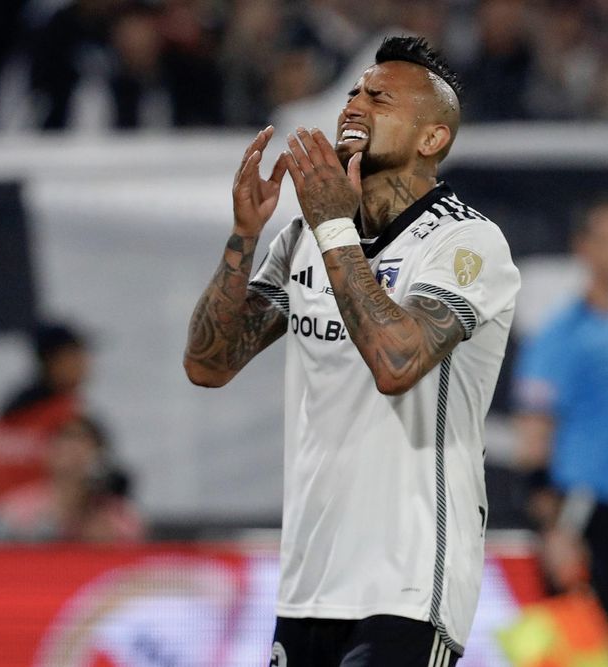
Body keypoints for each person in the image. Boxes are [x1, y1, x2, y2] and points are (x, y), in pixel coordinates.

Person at [184, 36, 520, 666]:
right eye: (353, 93)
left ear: (432, 139)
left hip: (412, 579)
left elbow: (396, 363)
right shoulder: (304, 237)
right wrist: (244, 235)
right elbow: (209, 363)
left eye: (380, 97)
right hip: (310, 578)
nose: (355, 106)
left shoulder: (468, 244)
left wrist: (335, 227)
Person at [514, 195, 608, 656]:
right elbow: (534, 433)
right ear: (585, 249)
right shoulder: (561, 335)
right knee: (572, 649)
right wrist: (554, 529)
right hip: (578, 510)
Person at [0, 322, 91, 513]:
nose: (87, 363)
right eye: (77, 355)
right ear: (54, 361)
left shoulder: (6, 412)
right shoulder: (64, 415)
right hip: (38, 527)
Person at [0, 415, 144, 543]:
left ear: (100, 454)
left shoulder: (118, 517)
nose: (73, 448)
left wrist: (108, 546)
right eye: (65, 438)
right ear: (47, 450)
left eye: (83, 440)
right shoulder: (13, 512)